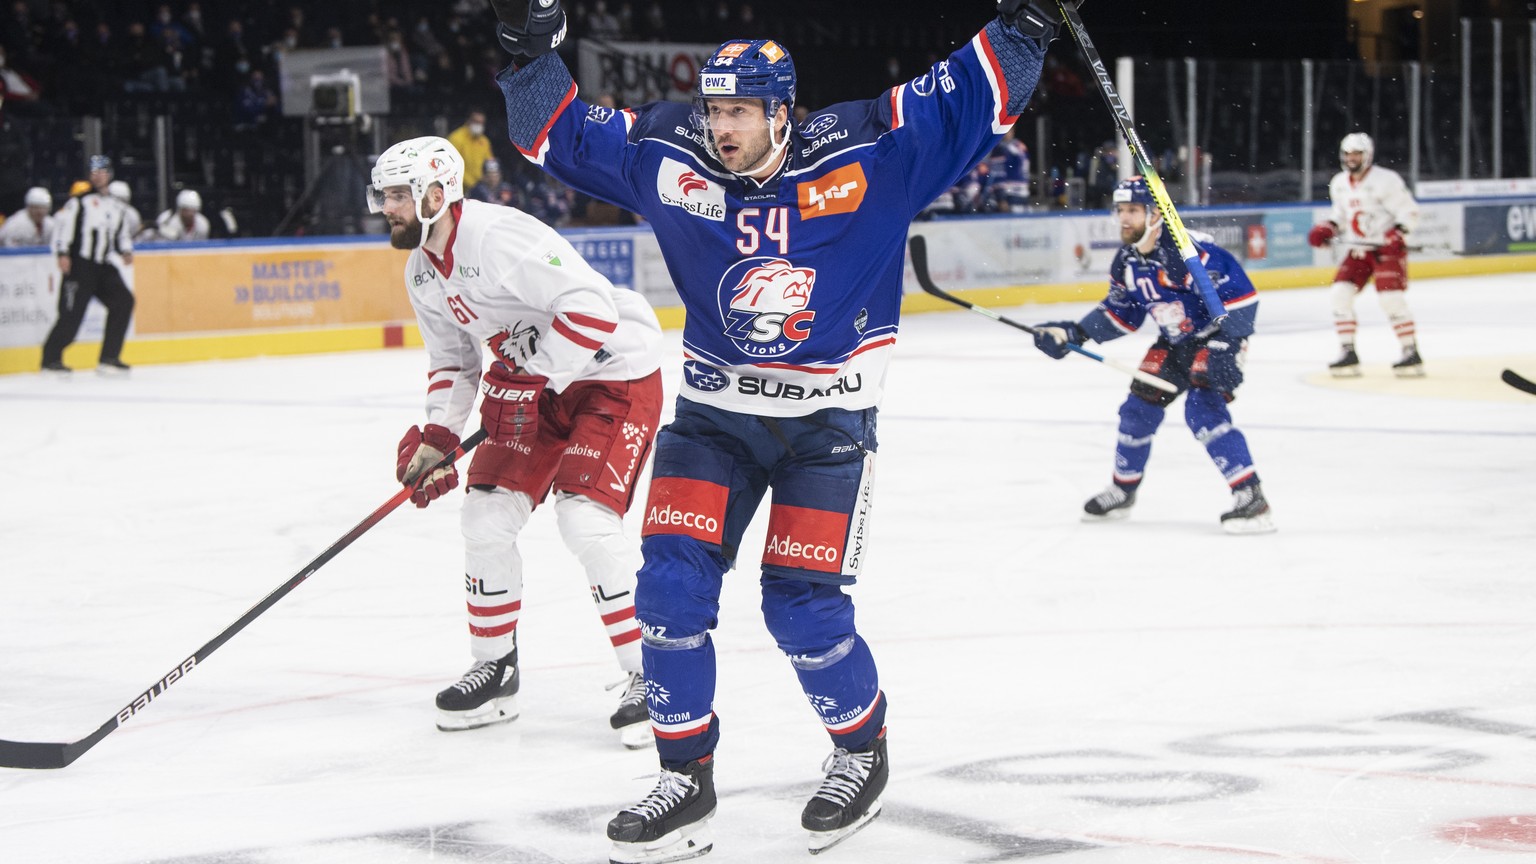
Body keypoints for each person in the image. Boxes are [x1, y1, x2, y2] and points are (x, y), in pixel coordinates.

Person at [490, 0, 1054, 859]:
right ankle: (685, 775)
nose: (720, 127)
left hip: (827, 427)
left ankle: (860, 754)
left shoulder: (873, 152)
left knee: (801, 608)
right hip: (715, 420)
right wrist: (526, 51)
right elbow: (556, 135)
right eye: (714, 109)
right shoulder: (670, 152)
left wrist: (1028, 23)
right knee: (668, 597)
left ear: (782, 112)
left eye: (739, 112)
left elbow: (971, 94)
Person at [368, 135, 664, 747]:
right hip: (537, 383)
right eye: (385, 195)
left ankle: (654, 677)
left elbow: (592, 310)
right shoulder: (422, 271)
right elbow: (452, 358)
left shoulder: (497, 237)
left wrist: (532, 377)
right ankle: (495, 668)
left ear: (436, 193)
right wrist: (438, 435)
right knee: (484, 517)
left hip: (612, 374)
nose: (387, 207)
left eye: (399, 195)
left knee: (585, 522)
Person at [1031, 176, 1274, 534]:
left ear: (1155, 214)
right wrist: (1075, 333)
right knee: (1137, 412)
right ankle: (1123, 490)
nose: (1124, 218)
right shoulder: (1127, 261)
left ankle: (1251, 498)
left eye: (1133, 210)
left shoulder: (1189, 252)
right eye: (1120, 210)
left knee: (1202, 412)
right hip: (1175, 343)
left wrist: (1226, 343)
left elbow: (1243, 299)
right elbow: (1121, 314)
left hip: (1217, 340)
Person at [1307, 132, 1423, 377]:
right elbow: (1340, 216)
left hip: (1384, 250)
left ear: (1367, 155)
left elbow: (1408, 211)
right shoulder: (1339, 183)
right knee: (1340, 295)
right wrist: (1327, 227)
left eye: (1357, 153)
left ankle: (1410, 351)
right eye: (1348, 153)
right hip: (1358, 250)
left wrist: (1398, 233)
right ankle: (1348, 351)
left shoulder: (1386, 180)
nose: (1352, 158)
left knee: (1391, 299)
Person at [43, 155, 135, 376]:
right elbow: (63, 229)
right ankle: (51, 359)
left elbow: (121, 233)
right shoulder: (79, 202)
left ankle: (109, 357)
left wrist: (126, 250)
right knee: (71, 315)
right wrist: (63, 253)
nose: (98, 175)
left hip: (103, 266)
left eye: (102, 171)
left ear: (109, 175)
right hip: (80, 266)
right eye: (94, 171)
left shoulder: (116, 206)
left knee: (124, 301)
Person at [448, 109, 496, 189]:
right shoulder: (456, 138)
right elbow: (451, 166)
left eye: (481, 123)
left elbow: (490, 163)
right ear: (468, 121)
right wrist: (472, 184)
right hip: (459, 186)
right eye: (476, 122)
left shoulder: (484, 141)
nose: (479, 125)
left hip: (480, 187)